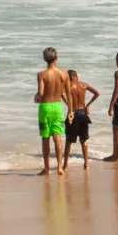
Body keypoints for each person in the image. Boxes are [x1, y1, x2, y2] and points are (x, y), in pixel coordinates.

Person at [35, 47, 71, 176]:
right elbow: (68, 93)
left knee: (45, 138)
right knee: (58, 137)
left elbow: (41, 93)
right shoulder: (64, 74)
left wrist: (36, 98)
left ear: (45, 59)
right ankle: (60, 167)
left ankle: (47, 169)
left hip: (45, 107)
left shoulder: (42, 75)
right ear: (56, 58)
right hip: (58, 107)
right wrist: (71, 110)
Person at [63, 69, 101, 171]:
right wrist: (87, 105)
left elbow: (61, 94)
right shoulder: (83, 85)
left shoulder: (68, 86)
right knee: (83, 140)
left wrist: (69, 106)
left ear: (68, 78)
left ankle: (65, 166)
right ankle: (86, 164)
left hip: (73, 114)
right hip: (83, 114)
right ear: (76, 76)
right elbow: (97, 93)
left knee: (69, 141)